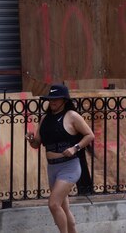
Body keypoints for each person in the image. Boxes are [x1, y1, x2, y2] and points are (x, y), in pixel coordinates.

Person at [26, 84, 95, 233]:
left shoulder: (72, 116)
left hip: (69, 166)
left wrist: (75, 148)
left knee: (53, 204)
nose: (53, 102)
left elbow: (90, 135)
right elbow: (37, 144)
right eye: (50, 100)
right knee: (63, 207)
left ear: (64, 100)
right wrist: (31, 140)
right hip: (52, 167)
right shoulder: (45, 118)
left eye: (56, 99)